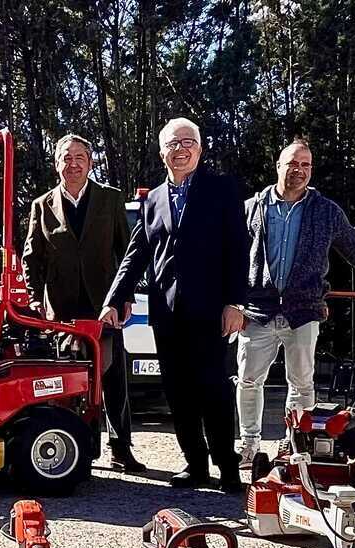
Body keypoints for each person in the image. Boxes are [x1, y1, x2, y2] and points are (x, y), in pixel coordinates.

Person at [235, 140, 355, 466]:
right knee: (248, 381)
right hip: (258, 311)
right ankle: (248, 446)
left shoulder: (326, 212)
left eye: (305, 165)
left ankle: (295, 446)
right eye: (292, 163)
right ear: (278, 166)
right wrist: (230, 303)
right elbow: (228, 258)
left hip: (303, 311)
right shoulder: (251, 208)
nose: (299, 170)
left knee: (302, 385)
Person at [99, 118, 248, 492]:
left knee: (214, 391)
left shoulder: (222, 190)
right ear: (161, 151)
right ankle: (195, 464)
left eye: (188, 142)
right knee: (179, 394)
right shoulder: (152, 200)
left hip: (212, 312)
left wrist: (235, 302)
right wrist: (114, 299)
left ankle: (227, 468)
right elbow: (136, 255)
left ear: (200, 148)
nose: (180, 150)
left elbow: (238, 249)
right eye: (172, 144)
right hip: (167, 315)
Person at [20, 133, 144, 472]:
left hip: (105, 304)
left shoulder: (110, 198)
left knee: (113, 376)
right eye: (66, 158)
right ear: (56, 164)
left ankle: (121, 448)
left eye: (80, 158)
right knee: (69, 380)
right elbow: (32, 257)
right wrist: (35, 298)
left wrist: (125, 296)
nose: (72, 164)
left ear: (90, 163)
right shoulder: (42, 205)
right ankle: (77, 447)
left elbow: (127, 252)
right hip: (62, 309)